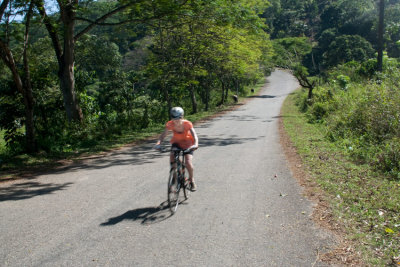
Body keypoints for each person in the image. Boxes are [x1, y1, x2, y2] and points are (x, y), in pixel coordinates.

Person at [154, 107, 199, 191]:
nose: (176, 121)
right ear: (171, 118)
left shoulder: (187, 124)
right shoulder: (170, 124)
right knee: (172, 157)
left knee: (188, 162)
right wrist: (158, 143)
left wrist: (196, 144)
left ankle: (192, 180)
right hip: (176, 143)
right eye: (174, 119)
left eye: (179, 118)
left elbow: (194, 135)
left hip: (188, 143)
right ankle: (175, 177)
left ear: (182, 117)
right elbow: (163, 135)